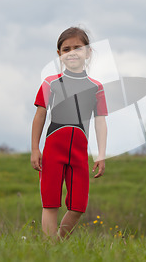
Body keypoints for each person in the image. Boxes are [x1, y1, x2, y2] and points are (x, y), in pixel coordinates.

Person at [30, 26, 108, 240]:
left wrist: (101, 154)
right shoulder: (50, 83)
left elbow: (100, 122)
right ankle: (50, 250)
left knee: (78, 207)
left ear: (88, 52)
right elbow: (40, 116)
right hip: (53, 151)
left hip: (79, 154)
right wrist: (35, 148)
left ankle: (56, 243)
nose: (72, 52)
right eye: (66, 49)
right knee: (51, 203)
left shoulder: (96, 87)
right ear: (59, 55)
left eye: (77, 47)